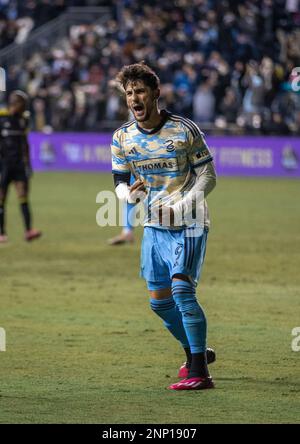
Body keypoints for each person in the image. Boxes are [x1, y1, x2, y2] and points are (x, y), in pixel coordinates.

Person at [111, 63, 217, 391]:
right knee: (159, 302)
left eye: (140, 91)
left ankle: (199, 372)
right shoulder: (122, 138)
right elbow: (118, 181)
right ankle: (196, 352)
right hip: (154, 227)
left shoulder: (184, 130)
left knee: (182, 291)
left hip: (190, 222)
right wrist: (127, 195)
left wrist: (183, 205)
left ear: (156, 93)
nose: (134, 98)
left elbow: (208, 175)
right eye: (129, 93)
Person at [0, 90, 41, 243]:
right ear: (15, 104)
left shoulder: (23, 120)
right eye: (23, 105)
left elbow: (25, 144)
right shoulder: (1, 117)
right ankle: (2, 233)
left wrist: (28, 164)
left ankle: (29, 231)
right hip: (3, 165)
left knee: (23, 196)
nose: (25, 108)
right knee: (1, 197)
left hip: (18, 165)